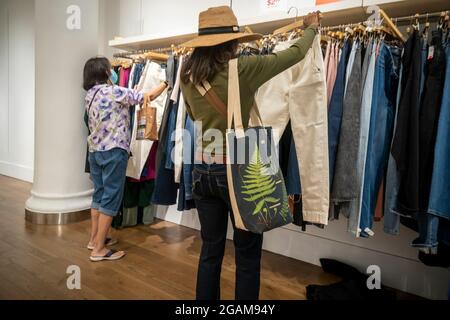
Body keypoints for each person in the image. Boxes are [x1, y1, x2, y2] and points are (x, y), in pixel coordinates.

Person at [180, 6, 321, 300]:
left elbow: (194, 117)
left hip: (202, 170)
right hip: (238, 169)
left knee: (210, 249)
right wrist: (310, 28)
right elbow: (293, 55)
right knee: (246, 254)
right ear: (232, 42)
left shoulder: (186, 74)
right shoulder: (242, 68)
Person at [83, 57, 155, 262]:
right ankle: (99, 249)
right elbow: (146, 96)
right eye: (109, 69)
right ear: (105, 72)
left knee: (99, 195)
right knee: (111, 198)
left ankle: (95, 239)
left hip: (95, 151)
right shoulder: (114, 91)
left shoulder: (89, 95)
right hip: (114, 151)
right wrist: (167, 83)